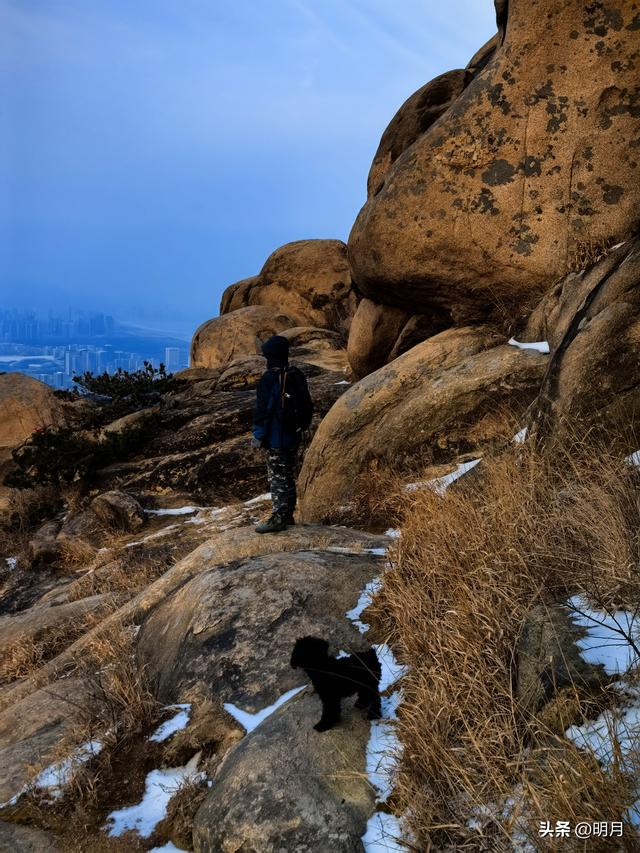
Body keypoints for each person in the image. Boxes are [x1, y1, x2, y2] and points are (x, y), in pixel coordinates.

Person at [252, 335, 313, 533]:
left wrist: (258, 435)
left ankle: (279, 517)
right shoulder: (295, 374)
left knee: (278, 476)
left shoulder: (269, 378)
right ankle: (287, 515)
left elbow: (264, 410)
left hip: (276, 436)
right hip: (293, 434)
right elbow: (307, 405)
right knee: (287, 474)